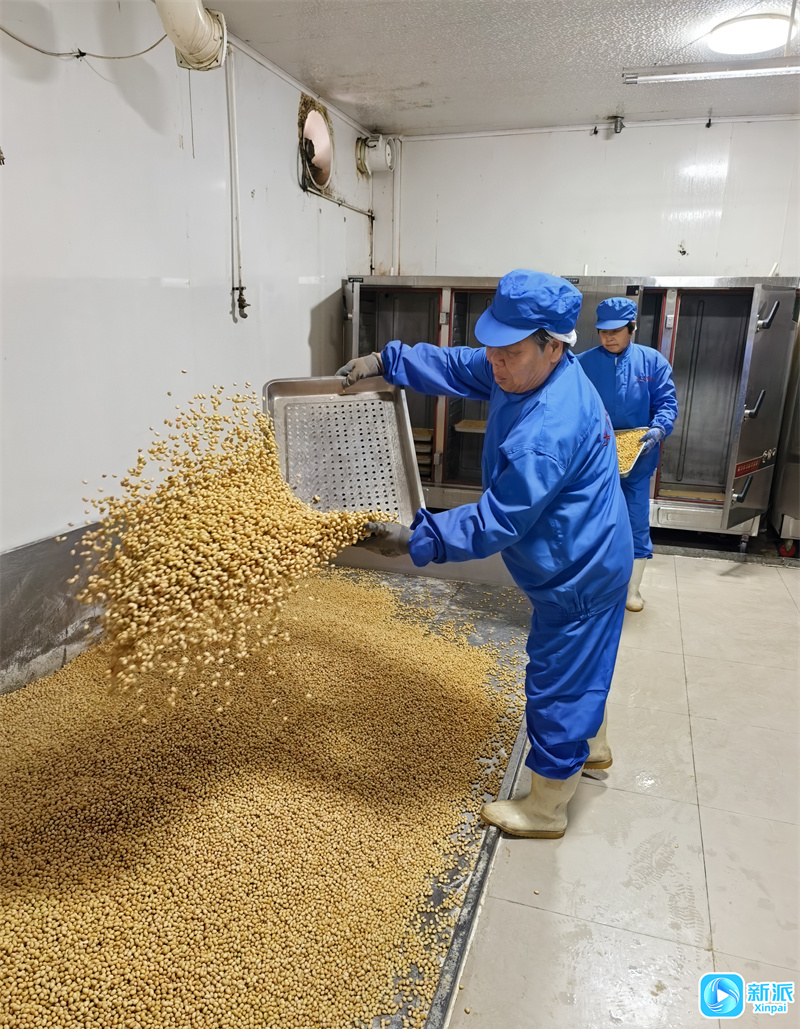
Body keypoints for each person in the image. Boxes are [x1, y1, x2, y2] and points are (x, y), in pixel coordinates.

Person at [336, 270, 633, 839]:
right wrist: (386, 361)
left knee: (558, 681)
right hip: (590, 548)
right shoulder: (523, 368)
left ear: (553, 345)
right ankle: (591, 749)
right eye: (494, 347)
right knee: (585, 665)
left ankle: (545, 808)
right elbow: (459, 366)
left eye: (509, 352)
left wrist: (415, 539)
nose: (495, 362)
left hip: (579, 570)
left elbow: (498, 519)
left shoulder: (548, 429)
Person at [576, 298, 678, 611]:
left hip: (639, 455)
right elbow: (574, 406)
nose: (608, 338)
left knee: (635, 521)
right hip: (596, 458)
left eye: (616, 331)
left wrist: (659, 428)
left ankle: (632, 591)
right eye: (603, 331)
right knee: (592, 521)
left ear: (632, 328)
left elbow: (666, 403)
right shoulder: (582, 364)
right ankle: (595, 586)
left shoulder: (652, 361)